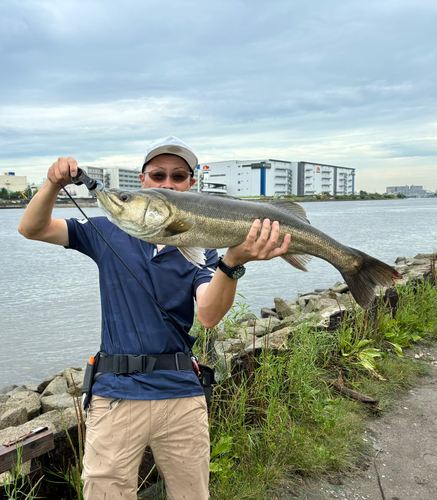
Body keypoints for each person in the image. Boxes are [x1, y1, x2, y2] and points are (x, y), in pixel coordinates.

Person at [18, 136, 291, 500]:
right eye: (158, 174)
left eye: (178, 176)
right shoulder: (106, 231)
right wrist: (53, 183)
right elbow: (32, 229)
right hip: (115, 394)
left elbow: (208, 314)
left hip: (181, 394)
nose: (167, 182)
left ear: (192, 185)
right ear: (143, 180)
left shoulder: (202, 250)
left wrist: (233, 262)